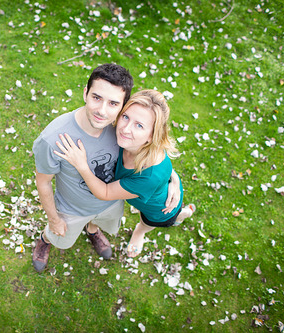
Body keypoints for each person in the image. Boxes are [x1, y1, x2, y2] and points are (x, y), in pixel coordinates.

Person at [32, 65, 180, 273]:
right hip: (72, 209)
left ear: (122, 106)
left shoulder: (120, 131)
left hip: (110, 204)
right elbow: (43, 181)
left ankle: (92, 230)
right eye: (96, 98)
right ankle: (45, 238)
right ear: (85, 92)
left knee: (99, 223)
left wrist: (172, 178)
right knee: (59, 237)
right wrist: (54, 219)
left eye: (113, 103)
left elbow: (152, 158)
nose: (102, 111)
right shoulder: (54, 139)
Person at [54, 89, 195, 258]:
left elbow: (105, 192)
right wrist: (175, 180)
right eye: (126, 117)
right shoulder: (129, 140)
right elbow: (167, 169)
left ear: (151, 136)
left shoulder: (149, 175)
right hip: (156, 190)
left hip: (159, 210)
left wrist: (81, 165)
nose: (125, 129)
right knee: (174, 210)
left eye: (139, 125)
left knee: (153, 221)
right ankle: (183, 213)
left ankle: (142, 232)